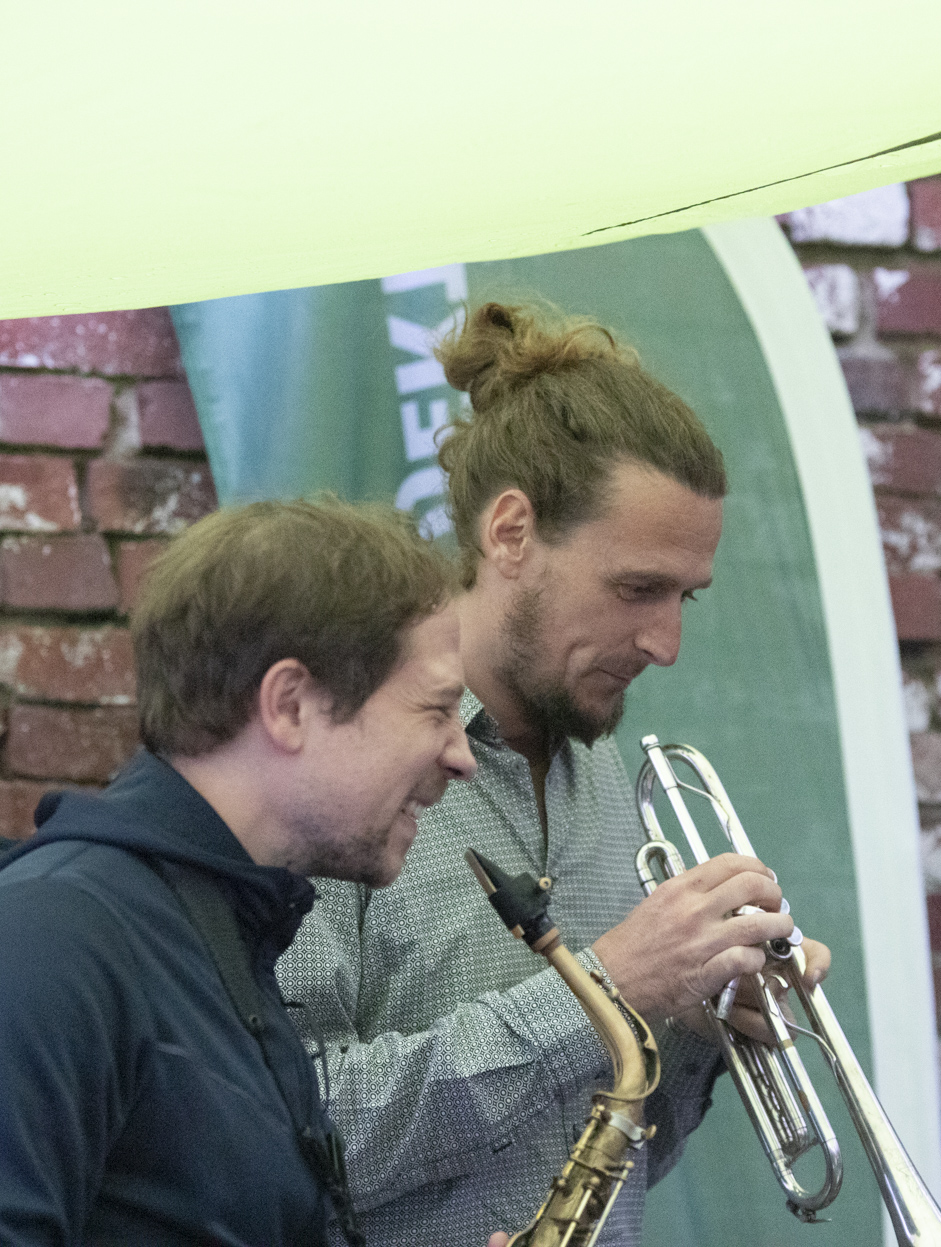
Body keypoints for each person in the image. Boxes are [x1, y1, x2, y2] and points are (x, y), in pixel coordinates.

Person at [278, 302, 830, 1247]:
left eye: (685, 597)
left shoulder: (609, 783)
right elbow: (291, 1129)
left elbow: (613, 1153)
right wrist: (607, 987)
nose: (665, 643)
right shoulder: (339, 762)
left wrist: (701, 1021)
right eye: (636, 589)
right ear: (510, 532)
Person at [0, 499, 477, 1246]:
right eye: (437, 709)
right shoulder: (45, 941)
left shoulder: (218, 928)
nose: (463, 754)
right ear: (289, 705)